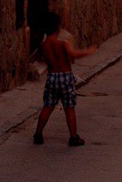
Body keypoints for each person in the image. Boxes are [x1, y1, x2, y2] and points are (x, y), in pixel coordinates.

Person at [32, 11, 97, 147]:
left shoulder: (44, 45)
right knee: (69, 107)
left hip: (52, 77)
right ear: (58, 27)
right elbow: (74, 54)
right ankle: (73, 137)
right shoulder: (62, 43)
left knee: (48, 106)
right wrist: (88, 51)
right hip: (66, 77)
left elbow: (40, 59)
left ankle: (38, 133)